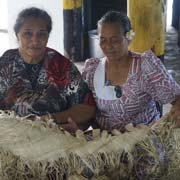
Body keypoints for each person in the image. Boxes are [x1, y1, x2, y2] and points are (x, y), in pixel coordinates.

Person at [0, 7, 95, 132]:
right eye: (27, 33)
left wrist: (52, 118)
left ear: (48, 36)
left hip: (53, 136)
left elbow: (87, 109)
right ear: (17, 35)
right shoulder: (5, 64)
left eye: (41, 34)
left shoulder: (61, 66)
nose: (35, 40)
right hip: (12, 139)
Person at [82, 11, 180, 132]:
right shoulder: (92, 69)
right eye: (103, 40)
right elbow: (84, 108)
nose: (108, 46)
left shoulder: (145, 67)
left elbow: (177, 98)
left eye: (114, 39)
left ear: (128, 37)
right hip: (105, 145)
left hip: (144, 144)